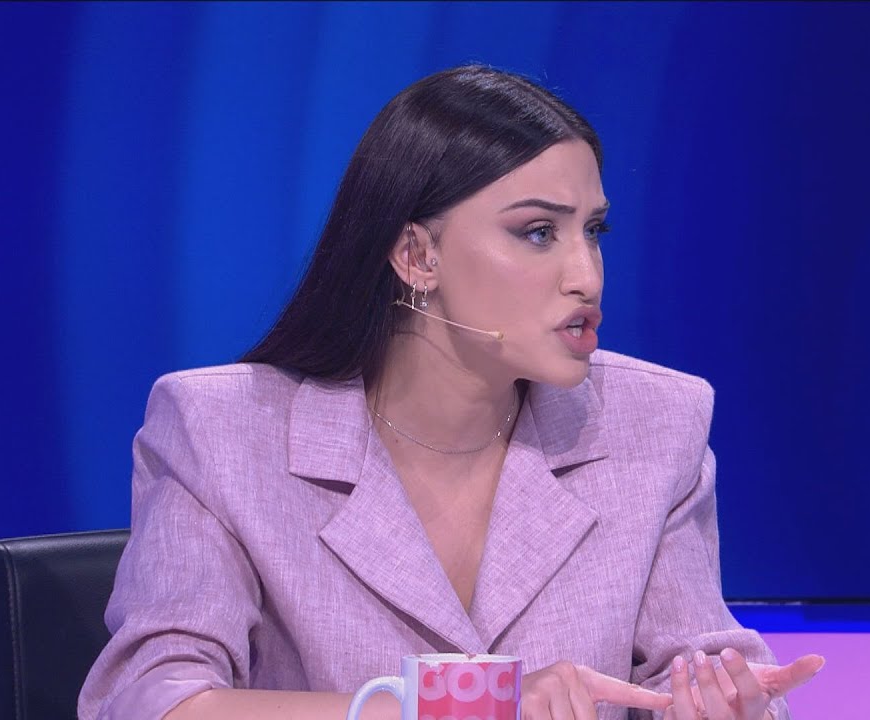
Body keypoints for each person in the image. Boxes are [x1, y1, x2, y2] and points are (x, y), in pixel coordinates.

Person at [78, 64, 823, 720]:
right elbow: (152, 701)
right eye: (538, 232)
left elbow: (694, 663)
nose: (586, 276)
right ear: (416, 255)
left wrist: (724, 704)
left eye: (594, 231)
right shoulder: (222, 432)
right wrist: (450, 708)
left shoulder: (653, 424)